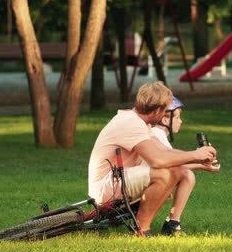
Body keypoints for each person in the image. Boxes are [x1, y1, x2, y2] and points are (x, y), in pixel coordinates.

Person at [87, 82, 217, 237]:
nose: (164, 116)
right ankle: (142, 229)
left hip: (116, 181)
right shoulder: (131, 123)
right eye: (164, 111)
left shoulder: (138, 121)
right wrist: (196, 156)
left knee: (178, 170)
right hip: (107, 187)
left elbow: (166, 152)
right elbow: (158, 160)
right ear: (157, 110)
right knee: (164, 174)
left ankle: (171, 225)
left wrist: (199, 158)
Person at [151, 96, 220, 236]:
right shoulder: (156, 134)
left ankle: (173, 223)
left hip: (152, 176)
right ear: (165, 120)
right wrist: (199, 161)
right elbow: (171, 164)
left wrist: (201, 163)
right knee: (187, 175)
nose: (180, 121)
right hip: (150, 179)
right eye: (178, 117)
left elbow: (175, 164)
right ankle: (172, 223)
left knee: (187, 175)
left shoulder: (158, 135)